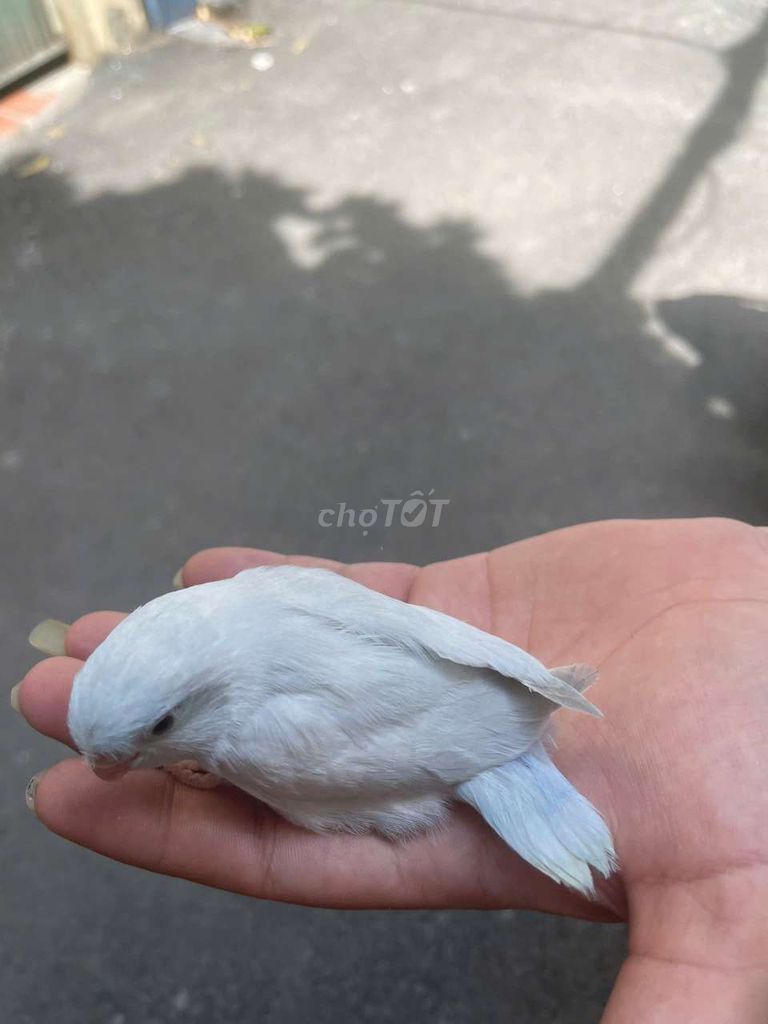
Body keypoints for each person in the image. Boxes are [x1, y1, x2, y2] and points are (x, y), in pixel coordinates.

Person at [13, 517, 768, 1022]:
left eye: (158, 733)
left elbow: (397, 731)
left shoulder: (263, 737)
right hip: (487, 679)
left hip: (482, 753)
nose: (123, 770)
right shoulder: (254, 596)